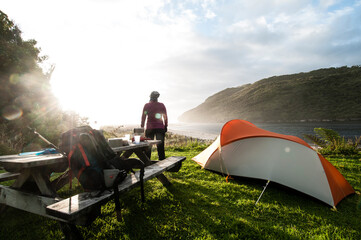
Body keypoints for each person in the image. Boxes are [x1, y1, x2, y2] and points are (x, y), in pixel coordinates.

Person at [141, 91, 168, 160]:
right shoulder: (161, 105)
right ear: (157, 98)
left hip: (150, 128)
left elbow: (143, 117)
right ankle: (162, 161)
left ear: (150, 97)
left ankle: (147, 162)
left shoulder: (147, 105)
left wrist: (142, 127)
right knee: (160, 146)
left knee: (148, 146)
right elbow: (165, 117)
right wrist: (165, 126)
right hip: (160, 128)